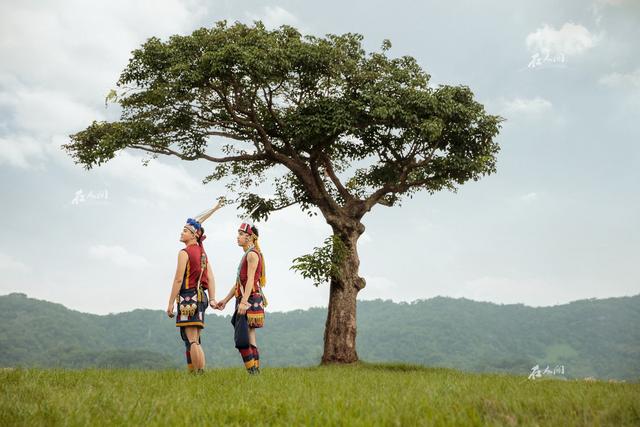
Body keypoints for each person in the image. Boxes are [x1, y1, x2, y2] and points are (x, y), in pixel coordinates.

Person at [166, 217, 218, 374]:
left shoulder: (184, 253)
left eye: (185, 231)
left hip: (189, 297)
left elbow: (178, 279)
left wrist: (170, 303)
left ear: (194, 234)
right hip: (202, 297)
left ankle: (199, 374)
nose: (182, 233)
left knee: (192, 339)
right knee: (195, 339)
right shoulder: (202, 253)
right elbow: (210, 277)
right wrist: (213, 298)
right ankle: (199, 372)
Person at [218, 222, 266, 375]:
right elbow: (240, 282)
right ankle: (255, 373)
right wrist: (225, 300)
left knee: (242, 338)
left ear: (250, 237)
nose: (237, 237)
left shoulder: (252, 254)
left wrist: (244, 302)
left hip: (248, 299)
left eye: (240, 234)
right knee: (250, 336)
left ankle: (253, 372)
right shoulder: (249, 254)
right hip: (248, 297)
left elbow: (250, 280)